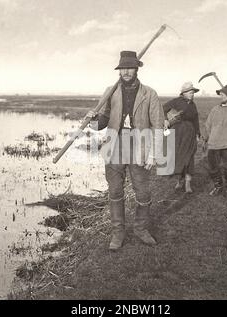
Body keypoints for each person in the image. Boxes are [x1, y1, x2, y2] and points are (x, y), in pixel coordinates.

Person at [86, 51, 164, 250]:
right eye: (123, 68)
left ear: (137, 69)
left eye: (130, 68)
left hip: (140, 145)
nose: (126, 72)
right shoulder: (110, 91)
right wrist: (92, 120)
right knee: (115, 190)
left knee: (143, 192)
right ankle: (118, 233)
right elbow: (102, 122)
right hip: (114, 144)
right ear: (119, 71)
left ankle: (141, 229)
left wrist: (154, 154)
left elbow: (158, 125)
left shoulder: (150, 93)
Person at [163, 82, 201, 193]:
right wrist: (165, 119)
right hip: (178, 132)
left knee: (189, 156)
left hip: (190, 132)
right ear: (184, 93)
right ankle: (180, 180)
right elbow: (163, 109)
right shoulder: (176, 101)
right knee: (179, 156)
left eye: (193, 93)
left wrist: (197, 134)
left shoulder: (193, 105)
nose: (192, 95)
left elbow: (196, 120)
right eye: (190, 92)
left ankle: (188, 183)